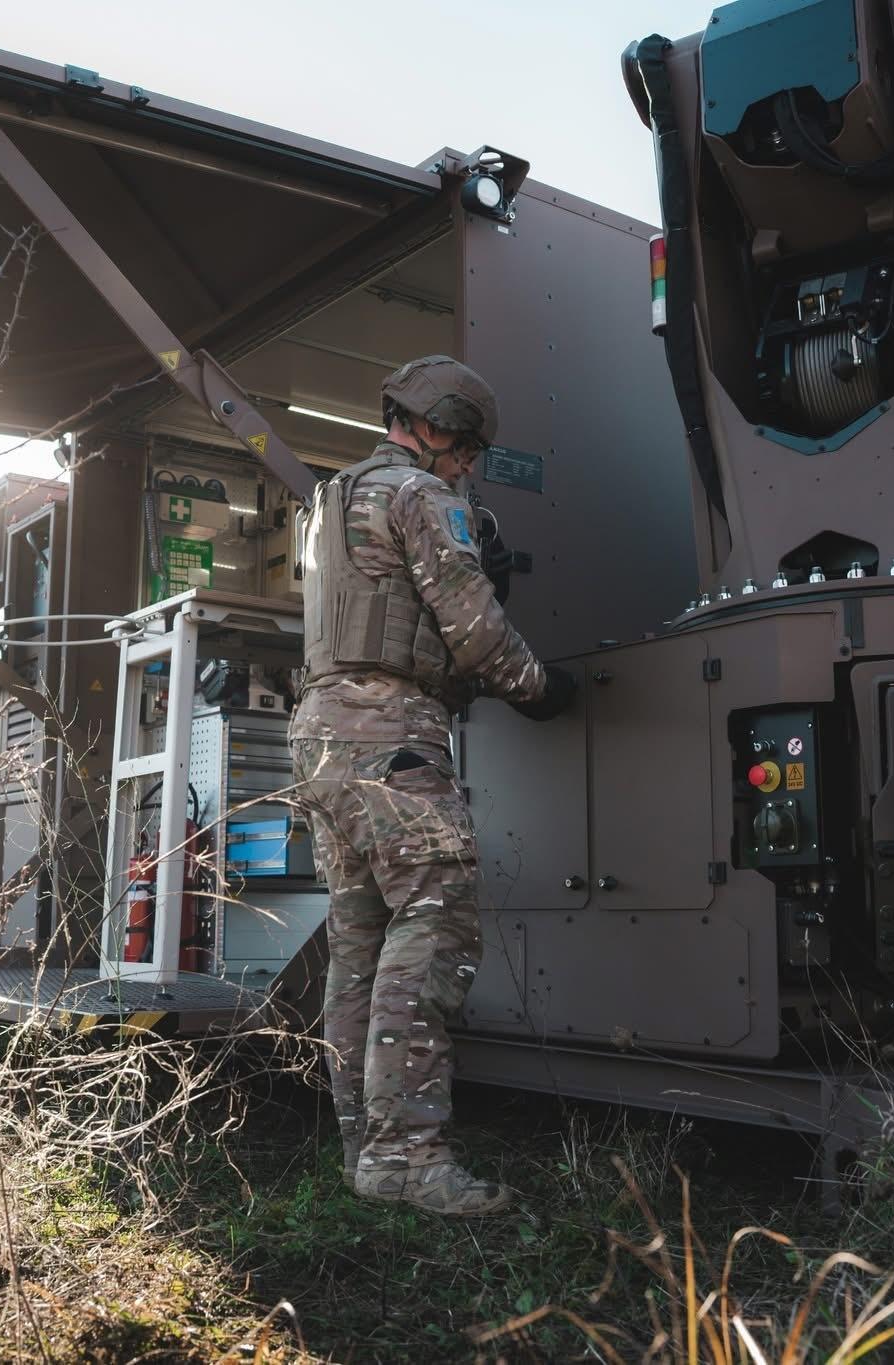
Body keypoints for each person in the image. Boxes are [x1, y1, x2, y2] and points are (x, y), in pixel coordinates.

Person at [289, 355, 578, 1217]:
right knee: (436, 919)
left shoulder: (330, 501)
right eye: (468, 448)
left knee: (360, 939)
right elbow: (475, 630)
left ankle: (367, 1153)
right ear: (439, 426)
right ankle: (411, 1155)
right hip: (391, 735)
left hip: (319, 734)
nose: (470, 467)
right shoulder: (422, 496)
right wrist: (542, 689)